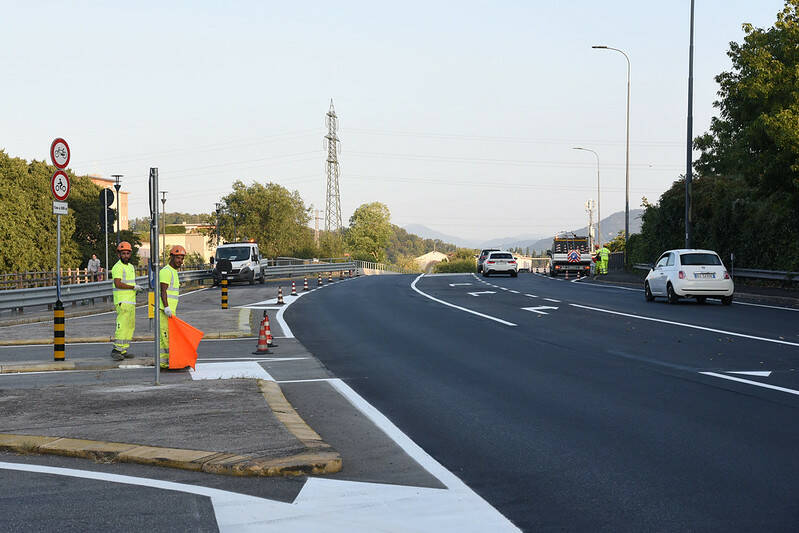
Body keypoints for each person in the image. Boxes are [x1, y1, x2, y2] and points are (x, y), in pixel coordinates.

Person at [111, 242, 144, 360]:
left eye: (127, 253)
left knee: (130, 326)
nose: (125, 255)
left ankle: (123, 349)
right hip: (122, 301)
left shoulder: (130, 267)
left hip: (130, 301)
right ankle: (116, 349)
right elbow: (118, 283)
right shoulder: (118, 267)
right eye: (123, 253)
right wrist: (133, 287)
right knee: (122, 326)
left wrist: (134, 289)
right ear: (119, 254)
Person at [159, 245, 186, 369]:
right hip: (165, 311)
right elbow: (163, 291)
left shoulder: (174, 272)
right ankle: (166, 363)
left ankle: (169, 362)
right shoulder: (166, 271)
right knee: (166, 338)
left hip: (170, 311)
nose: (180, 261)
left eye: (182, 258)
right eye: (178, 258)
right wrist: (166, 307)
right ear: (171, 257)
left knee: (171, 337)